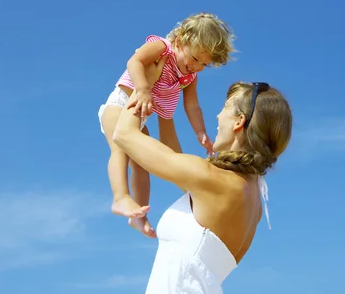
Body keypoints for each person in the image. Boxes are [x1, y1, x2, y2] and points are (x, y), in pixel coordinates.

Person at [112, 81, 293, 293]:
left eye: (225, 107)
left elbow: (123, 134)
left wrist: (147, 81)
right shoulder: (249, 195)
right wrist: (166, 103)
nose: (218, 116)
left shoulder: (213, 180)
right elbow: (176, 159)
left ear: (239, 121)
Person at [97, 13, 237, 237]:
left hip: (139, 116)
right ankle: (120, 196)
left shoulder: (189, 77)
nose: (197, 66)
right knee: (120, 149)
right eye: (194, 58)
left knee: (142, 164)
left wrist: (200, 132)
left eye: (204, 64)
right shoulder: (162, 48)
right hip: (119, 104)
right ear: (181, 40)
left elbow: (192, 107)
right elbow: (134, 61)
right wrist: (142, 88)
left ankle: (139, 216)